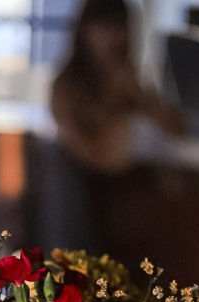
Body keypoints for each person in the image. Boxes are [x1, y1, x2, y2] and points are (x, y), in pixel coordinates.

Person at [51, 0, 184, 175]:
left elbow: (178, 128)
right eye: (106, 27)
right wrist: (114, 96)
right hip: (87, 189)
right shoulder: (66, 87)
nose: (116, 36)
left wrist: (138, 95)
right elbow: (99, 154)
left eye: (121, 27)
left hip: (133, 187)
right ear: (85, 30)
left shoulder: (130, 80)